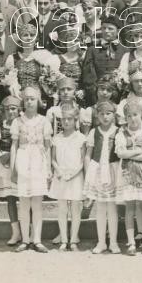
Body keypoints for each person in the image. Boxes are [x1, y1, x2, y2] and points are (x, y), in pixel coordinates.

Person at [10, 86, 52, 253]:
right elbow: (14, 146)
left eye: (32, 99)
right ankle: (25, 240)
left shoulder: (44, 121)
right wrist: (13, 168)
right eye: (26, 99)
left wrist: (48, 167)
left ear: (38, 101)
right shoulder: (17, 122)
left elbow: (47, 147)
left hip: (38, 162)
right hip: (22, 160)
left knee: (37, 203)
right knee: (23, 203)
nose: (29, 102)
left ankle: (37, 240)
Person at [115, 100, 142, 255]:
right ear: (125, 118)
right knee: (130, 207)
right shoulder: (121, 134)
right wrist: (138, 151)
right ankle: (131, 242)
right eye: (129, 116)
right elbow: (120, 153)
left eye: (135, 115)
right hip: (128, 175)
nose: (132, 119)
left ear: (141, 115)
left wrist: (130, 155)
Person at [83, 100, 121, 254]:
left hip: (113, 171)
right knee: (100, 208)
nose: (105, 117)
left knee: (112, 208)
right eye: (102, 114)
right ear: (97, 116)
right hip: (97, 172)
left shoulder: (119, 132)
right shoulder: (94, 132)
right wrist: (89, 174)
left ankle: (113, 242)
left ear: (114, 115)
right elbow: (88, 155)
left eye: (108, 113)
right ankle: (101, 242)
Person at [48, 103, 87, 251]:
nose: (66, 122)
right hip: (61, 177)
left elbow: (83, 160)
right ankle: (64, 240)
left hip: (75, 177)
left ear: (75, 120)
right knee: (62, 208)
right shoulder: (56, 138)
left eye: (69, 119)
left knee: (76, 209)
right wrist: (59, 171)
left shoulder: (81, 138)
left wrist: (73, 173)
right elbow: (53, 159)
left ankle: (73, 240)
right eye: (63, 119)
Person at [0, 96, 21, 246]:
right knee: (10, 198)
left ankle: (28, 231)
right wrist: (1, 156)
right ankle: (15, 232)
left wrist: (13, 156)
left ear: (19, 110)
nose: (10, 112)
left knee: (26, 198)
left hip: (20, 164)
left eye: (13, 109)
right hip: (5, 165)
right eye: (7, 109)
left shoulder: (23, 125)